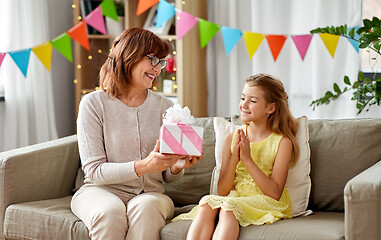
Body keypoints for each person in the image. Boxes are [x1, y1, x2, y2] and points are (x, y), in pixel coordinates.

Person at [71, 27, 202, 240]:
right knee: (109, 212)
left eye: (160, 62)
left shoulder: (165, 106)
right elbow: (94, 171)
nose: (158, 68)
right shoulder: (93, 104)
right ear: (128, 56)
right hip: (99, 190)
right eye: (152, 59)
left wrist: (176, 166)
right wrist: (145, 166)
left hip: (149, 194)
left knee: (147, 208)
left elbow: (167, 177)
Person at [173, 73, 300, 240]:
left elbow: (275, 193)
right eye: (242, 98)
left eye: (252, 101)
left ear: (270, 108)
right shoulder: (231, 139)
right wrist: (234, 160)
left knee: (228, 209)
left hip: (265, 201)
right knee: (206, 203)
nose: (244, 105)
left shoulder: (282, 142)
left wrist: (247, 160)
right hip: (234, 198)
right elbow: (223, 191)